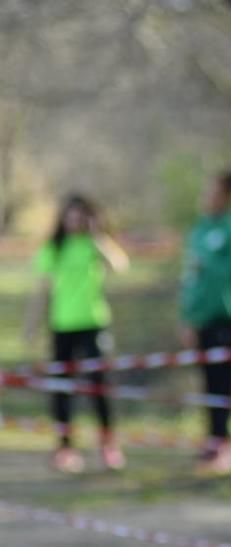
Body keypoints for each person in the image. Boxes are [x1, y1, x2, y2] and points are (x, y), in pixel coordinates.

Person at [25, 194, 130, 473]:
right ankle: (65, 447)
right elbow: (43, 289)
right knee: (62, 388)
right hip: (62, 326)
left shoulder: (95, 245)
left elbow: (120, 266)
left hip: (93, 324)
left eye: (79, 216)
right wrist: (32, 325)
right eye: (70, 215)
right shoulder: (54, 248)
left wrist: (99, 238)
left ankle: (108, 445)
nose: (74, 221)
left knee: (98, 386)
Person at [179, 169, 231, 474]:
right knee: (208, 382)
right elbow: (191, 280)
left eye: (213, 192)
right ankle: (211, 441)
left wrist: (212, 265)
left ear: (226, 197)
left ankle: (224, 443)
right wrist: (187, 318)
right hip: (200, 320)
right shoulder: (198, 231)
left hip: (226, 318)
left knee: (224, 382)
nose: (207, 198)